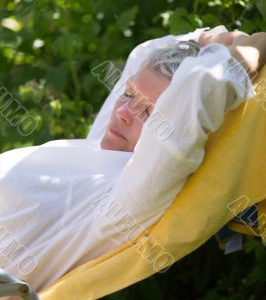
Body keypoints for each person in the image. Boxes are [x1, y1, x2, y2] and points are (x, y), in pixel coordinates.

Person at [0, 28, 265, 292]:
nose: (124, 112)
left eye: (148, 110)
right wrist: (201, 41)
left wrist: (240, 48)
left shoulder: (123, 201)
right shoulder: (103, 152)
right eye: (128, 93)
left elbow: (200, 86)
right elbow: (142, 56)